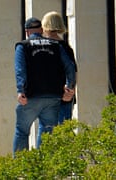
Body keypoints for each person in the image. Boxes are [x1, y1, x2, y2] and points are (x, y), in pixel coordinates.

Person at [12, 17, 76, 152]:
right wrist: (69, 88)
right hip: (53, 97)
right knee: (48, 132)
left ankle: (19, 168)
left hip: (31, 96)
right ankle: (44, 167)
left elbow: (20, 70)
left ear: (27, 32)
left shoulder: (22, 46)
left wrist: (20, 90)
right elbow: (70, 68)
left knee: (22, 131)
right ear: (41, 30)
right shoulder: (56, 45)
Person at [36, 11, 78, 147]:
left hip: (47, 95)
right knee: (64, 129)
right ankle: (66, 162)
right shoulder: (66, 47)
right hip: (64, 95)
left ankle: (40, 164)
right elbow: (72, 70)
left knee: (45, 130)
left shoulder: (41, 46)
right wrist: (69, 90)